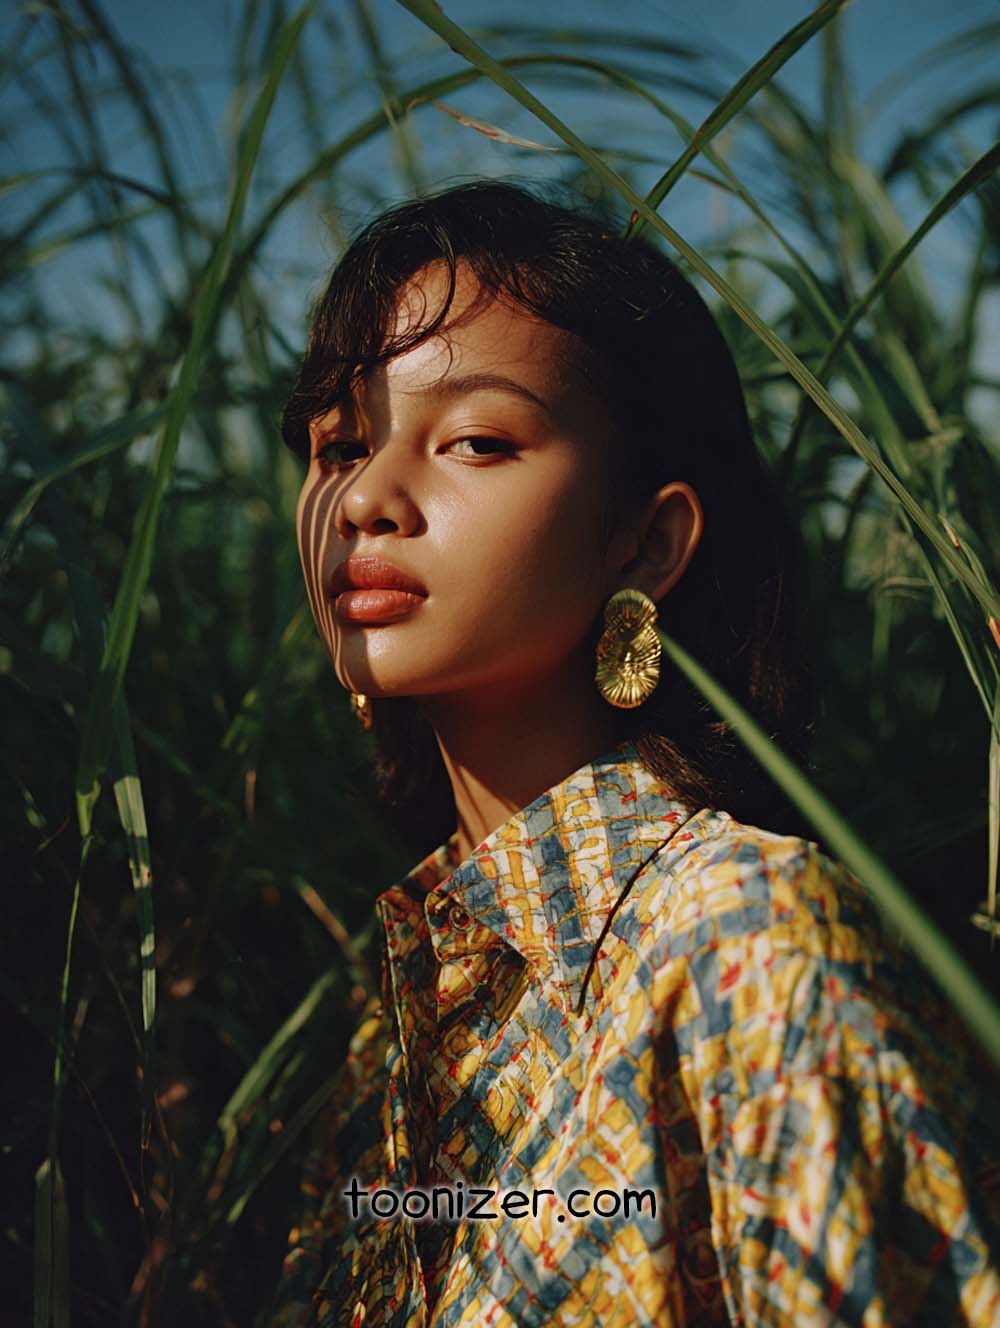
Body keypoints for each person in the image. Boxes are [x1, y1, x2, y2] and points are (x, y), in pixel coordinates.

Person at [269, 180, 1000, 1326]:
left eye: (474, 439)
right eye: (338, 443)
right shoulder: (395, 1019)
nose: (366, 495)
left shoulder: (753, 946)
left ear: (646, 539)